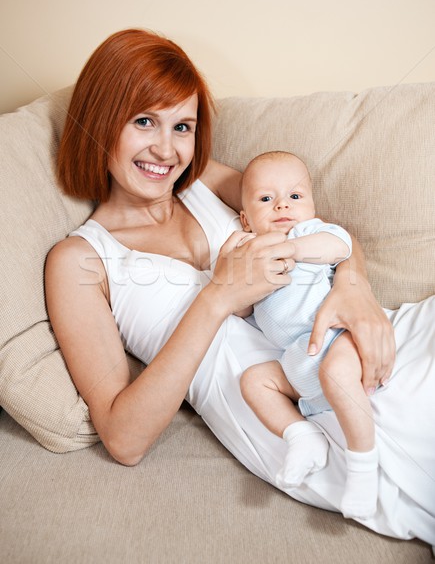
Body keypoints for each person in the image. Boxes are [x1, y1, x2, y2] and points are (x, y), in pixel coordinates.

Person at [45, 28, 435, 547]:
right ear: (99, 120)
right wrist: (217, 297)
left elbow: (319, 229)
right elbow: (124, 437)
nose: (166, 149)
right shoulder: (80, 260)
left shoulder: (199, 180)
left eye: (182, 126)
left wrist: (355, 287)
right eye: (144, 121)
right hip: (304, 409)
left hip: (374, 340)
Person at [237, 151, 377, 519]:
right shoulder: (248, 252)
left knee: (337, 373)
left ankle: (364, 467)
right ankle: (301, 435)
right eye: (266, 199)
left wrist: (293, 247)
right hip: (298, 358)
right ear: (245, 219)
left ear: (312, 206)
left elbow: (341, 245)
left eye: (295, 197)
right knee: (254, 381)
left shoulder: (311, 233)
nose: (283, 204)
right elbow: (240, 309)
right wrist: (236, 278)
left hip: (339, 337)